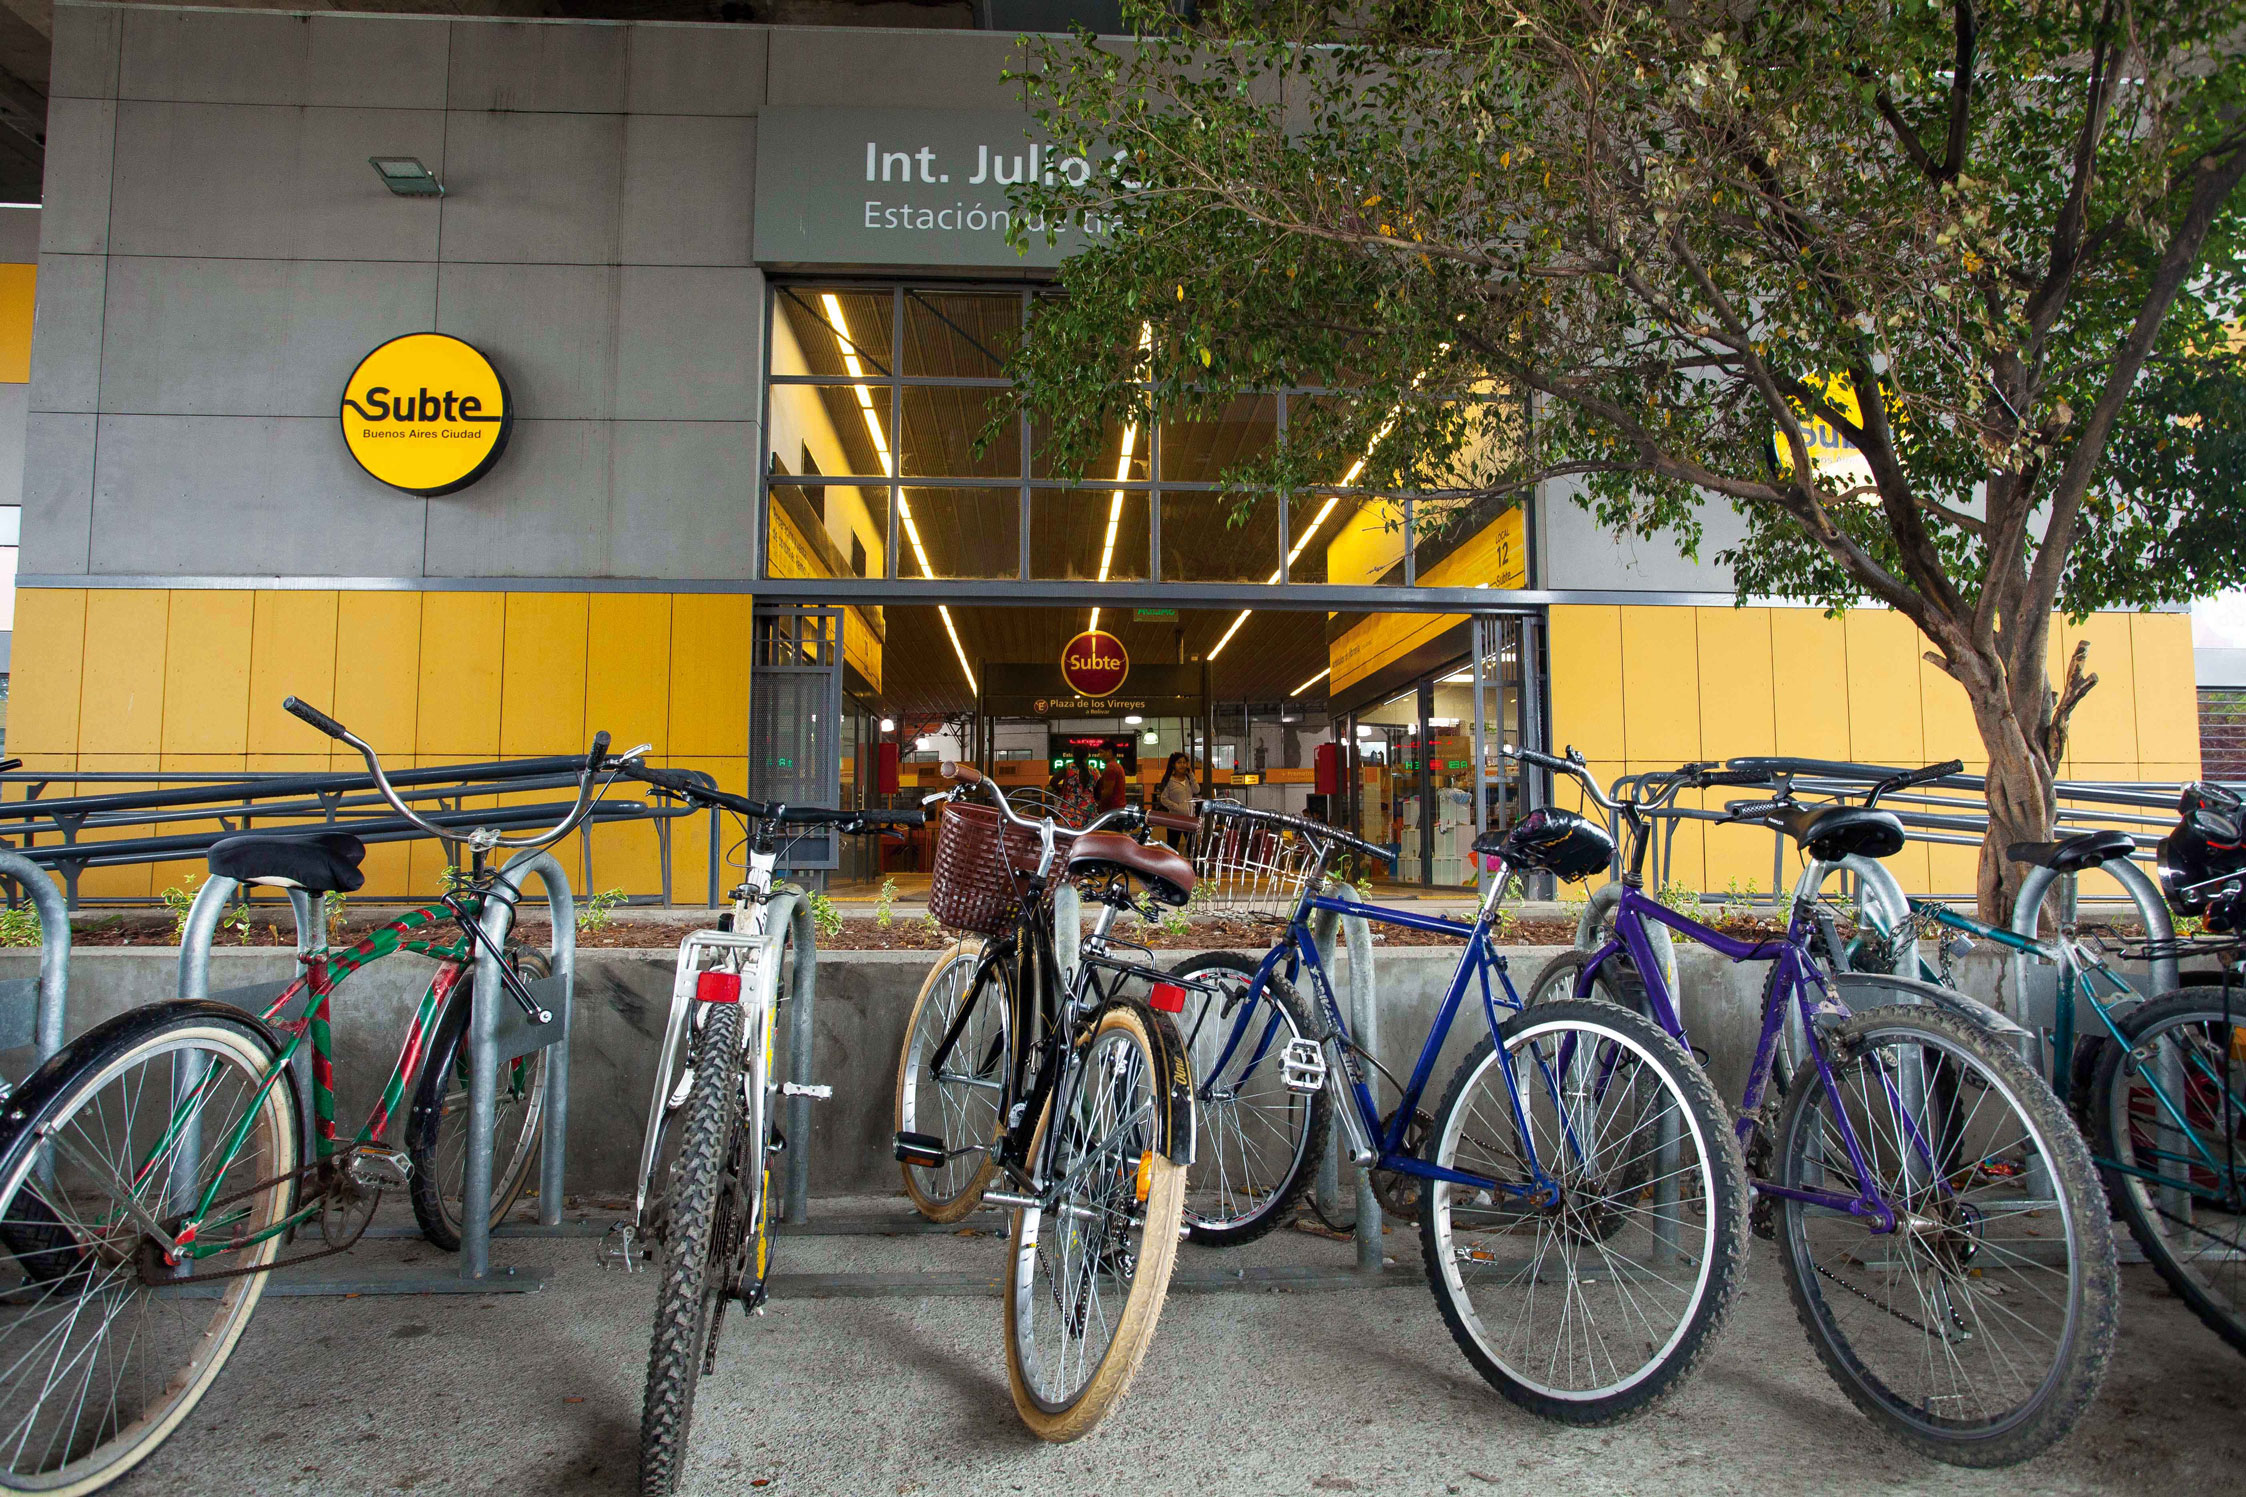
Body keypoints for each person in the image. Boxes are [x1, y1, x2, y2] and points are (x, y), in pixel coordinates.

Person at [1155, 752, 1197, 848]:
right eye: (1179, 762)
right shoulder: (1170, 780)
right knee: (1172, 847)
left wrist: (1191, 775)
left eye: (1184, 762)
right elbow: (1164, 799)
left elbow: (1197, 790)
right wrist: (1176, 807)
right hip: (1175, 819)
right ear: (1173, 765)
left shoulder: (1188, 779)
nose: (1182, 765)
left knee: (1192, 848)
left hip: (1190, 819)